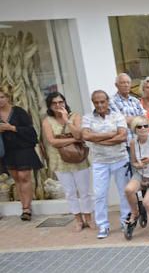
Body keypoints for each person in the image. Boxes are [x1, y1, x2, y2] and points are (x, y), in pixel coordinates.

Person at [82, 90, 129, 238]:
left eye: (102, 101)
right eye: (96, 102)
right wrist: (110, 135)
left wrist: (98, 140)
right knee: (99, 194)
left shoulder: (117, 116)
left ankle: (125, 221)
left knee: (124, 192)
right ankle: (103, 225)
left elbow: (122, 137)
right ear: (93, 103)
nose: (100, 105)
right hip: (100, 162)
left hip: (120, 158)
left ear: (108, 101)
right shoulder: (87, 118)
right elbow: (85, 136)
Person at [41, 92, 92, 231]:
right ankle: (78, 219)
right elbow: (52, 141)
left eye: (60, 102)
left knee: (84, 191)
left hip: (79, 158)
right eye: (54, 103)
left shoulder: (75, 116)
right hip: (59, 161)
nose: (58, 105)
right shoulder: (47, 121)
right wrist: (74, 140)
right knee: (69, 192)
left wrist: (66, 120)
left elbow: (79, 134)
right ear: (49, 106)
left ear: (65, 102)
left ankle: (88, 217)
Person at [0, 85, 43, 221]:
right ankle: (23, 205)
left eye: (2, 97)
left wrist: (11, 128)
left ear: (8, 98)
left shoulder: (18, 112)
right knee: (17, 178)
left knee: (24, 176)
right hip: (7, 151)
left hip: (23, 148)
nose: (0, 100)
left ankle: (27, 208)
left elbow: (31, 132)